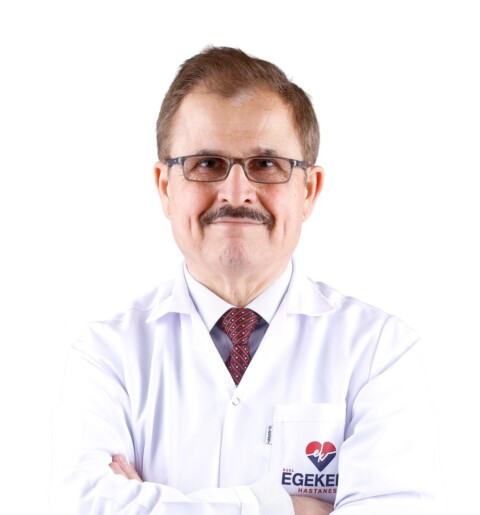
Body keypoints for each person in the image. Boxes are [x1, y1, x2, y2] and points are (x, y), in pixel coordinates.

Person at [51, 46, 441, 514]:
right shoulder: (106, 355)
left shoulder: (380, 352)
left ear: (309, 190)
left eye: (266, 165)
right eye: (206, 163)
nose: (236, 193)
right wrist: (285, 507)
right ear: (165, 187)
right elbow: (81, 505)